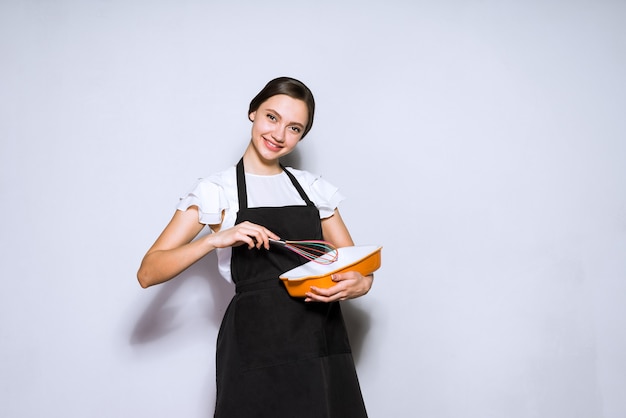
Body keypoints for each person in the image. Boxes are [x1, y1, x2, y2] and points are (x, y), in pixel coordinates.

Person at [137, 76, 372, 417]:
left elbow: (356, 265)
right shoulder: (216, 190)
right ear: (253, 113)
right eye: (272, 118)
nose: (279, 135)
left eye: (294, 128)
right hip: (255, 342)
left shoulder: (313, 189)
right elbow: (148, 272)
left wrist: (362, 283)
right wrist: (215, 239)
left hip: (320, 336)